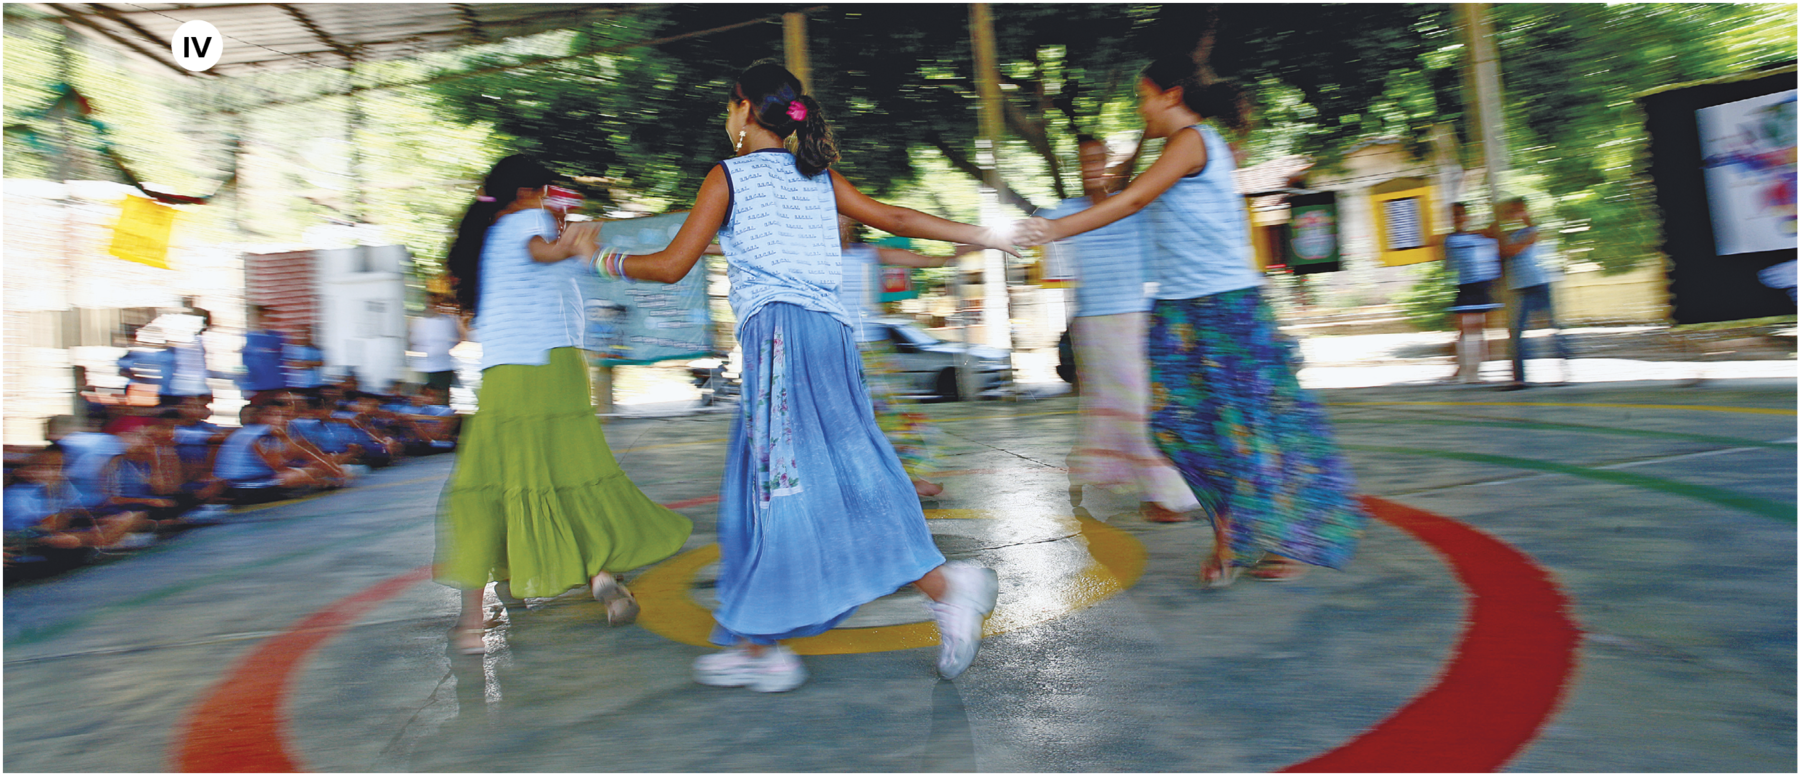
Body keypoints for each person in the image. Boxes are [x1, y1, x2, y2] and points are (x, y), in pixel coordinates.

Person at [595, 62, 1008, 691]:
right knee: (777, 484)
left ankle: (943, 586)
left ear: (743, 109)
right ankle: (761, 642)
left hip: (783, 343)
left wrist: (604, 259)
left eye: (728, 106)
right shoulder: (815, 175)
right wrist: (985, 234)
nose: (725, 118)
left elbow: (674, 264)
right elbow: (894, 217)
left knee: (795, 487)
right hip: (828, 339)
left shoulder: (727, 176)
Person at [1016, 54, 1366, 586]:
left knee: (1247, 428)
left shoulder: (1194, 142)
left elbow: (1131, 201)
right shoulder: (1171, 147)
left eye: (1142, 97)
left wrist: (1052, 231)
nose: (1140, 109)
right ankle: (1232, 531)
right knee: (1179, 425)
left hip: (1227, 305)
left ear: (1172, 95)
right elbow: (1125, 192)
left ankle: (1267, 538)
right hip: (1178, 311)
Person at [437, 153, 695, 657]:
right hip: (556, 366)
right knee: (569, 471)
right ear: (531, 191)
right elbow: (542, 253)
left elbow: (541, 258)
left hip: (508, 371)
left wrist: (570, 241)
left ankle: (471, 624)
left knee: (488, 482)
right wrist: (572, 244)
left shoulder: (487, 235)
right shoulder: (529, 221)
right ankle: (600, 575)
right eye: (549, 191)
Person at [1041, 134, 1200, 523]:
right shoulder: (1065, 212)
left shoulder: (1136, 207)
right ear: (1075, 167)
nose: (1091, 166)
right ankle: (1159, 494)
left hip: (1136, 321)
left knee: (1140, 407)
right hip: (1093, 326)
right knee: (1121, 407)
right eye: (1084, 160)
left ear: (1111, 162)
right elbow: (1044, 250)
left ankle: (1153, 491)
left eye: (1098, 158)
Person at [836, 216, 983, 498]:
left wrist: (952, 257)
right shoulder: (809, 258)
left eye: (846, 219)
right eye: (833, 217)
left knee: (897, 416)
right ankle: (853, 482)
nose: (841, 225)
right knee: (843, 421)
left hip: (872, 350)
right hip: (831, 348)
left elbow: (916, 259)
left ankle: (912, 476)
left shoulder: (867, 253)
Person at [1494, 196, 1572, 390]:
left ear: (1526, 211)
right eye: (1513, 211)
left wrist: (1504, 240)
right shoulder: (1508, 233)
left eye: (1519, 210)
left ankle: (1564, 374)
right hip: (1519, 287)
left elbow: (1511, 250)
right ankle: (1519, 379)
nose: (1515, 214)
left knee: (1553, 328)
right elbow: (1502, 250)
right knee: (1517, 332)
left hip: (1539, 283)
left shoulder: (1534, 231)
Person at [1442, 203, 1504, 384]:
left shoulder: (1476, 237)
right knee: (1466, 330)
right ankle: (1466, 371)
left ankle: (1472, 372)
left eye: (1462, 214)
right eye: (1455, 215)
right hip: (1466, 286)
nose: (1459, 217)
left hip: (1482, 286)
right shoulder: (1453, 240)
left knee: (1476, 330)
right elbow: (1452, 263)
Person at [412, 293, 467, 395]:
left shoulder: (448, 320)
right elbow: (412, 342)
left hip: (444, 367)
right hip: (424, 368)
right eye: (428, 303)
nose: (431, 305)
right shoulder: (418, 321)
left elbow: (459, 338)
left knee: (442, 399)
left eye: (433, 303)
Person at [242, 306, 288, 403]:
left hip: (276, 385)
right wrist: (246, 386)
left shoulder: (278, 338)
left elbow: (284, 361)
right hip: (257, 386)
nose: (267, 321)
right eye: (263, 317)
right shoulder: (250, 338)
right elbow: (246, 364)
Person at [283, 324, 326, 399]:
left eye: (305, 332)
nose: (303, 335)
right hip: (296, 386)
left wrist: (306, 363)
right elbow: (295, 365)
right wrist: (311, 363)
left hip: (314, 385)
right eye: (299, 332)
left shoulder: (314, 348)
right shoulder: (289, 348)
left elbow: (322, 362)